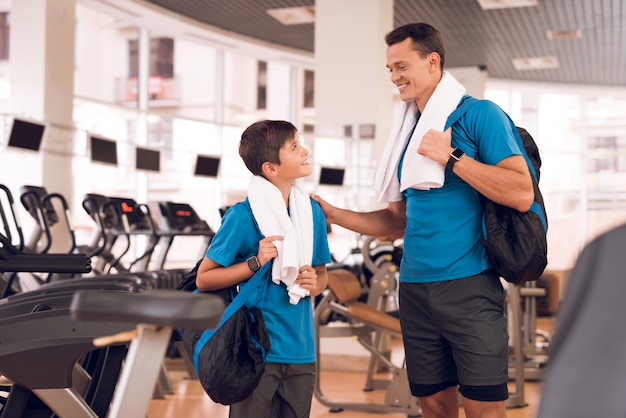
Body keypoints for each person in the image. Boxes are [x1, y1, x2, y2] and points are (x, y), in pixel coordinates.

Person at [311, 23, 534, 418]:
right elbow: (398, 220)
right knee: (432, 407)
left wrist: (451, 158)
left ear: (433, 62)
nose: (394, 77)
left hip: (469, 287)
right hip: (414, 289)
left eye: (401, 66)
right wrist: (334, 214)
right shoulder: (407, 132)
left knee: (484, 410)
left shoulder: (479, 115)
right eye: (389, 69)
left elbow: (520, 192)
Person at [196, 120, 331, 418]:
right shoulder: (243, 217)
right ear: (271, 168)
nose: (305, 150)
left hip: (301, 351)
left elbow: (321, 274)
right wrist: (254, 262)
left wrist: (314, 282)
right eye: (295, 147)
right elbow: (205, 279)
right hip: (256, 351)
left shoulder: (312, 214)